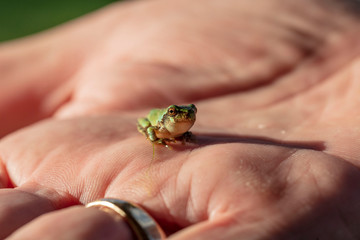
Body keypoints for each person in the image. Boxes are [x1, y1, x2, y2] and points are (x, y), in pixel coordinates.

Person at [1, 0, 360, 239]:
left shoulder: (184, 120)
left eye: (189, 116)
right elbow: (151, 126)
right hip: (153, 124)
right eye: (180, 114)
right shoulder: (162, 120)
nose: (185, 117)